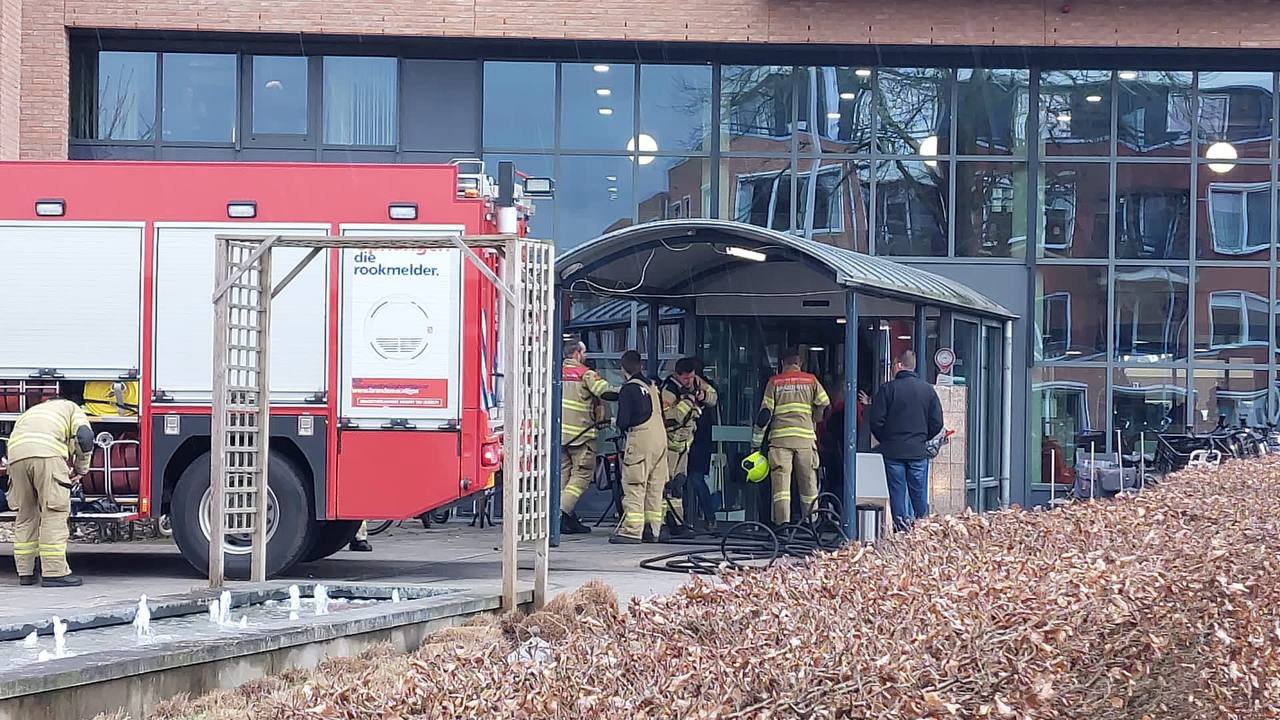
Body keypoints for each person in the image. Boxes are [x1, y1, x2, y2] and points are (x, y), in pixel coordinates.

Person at [5, 393, 94, 587]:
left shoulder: (32, 411)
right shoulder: (72, 408)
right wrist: (81, 469)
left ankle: (26, 573)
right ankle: (54, 572)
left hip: (16, 457)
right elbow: (85, 436)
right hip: (47, 455)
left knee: (26, 514)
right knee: (54, 512)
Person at [866, 350, 943, 532]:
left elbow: (876, 421)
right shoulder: (927, 390)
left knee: (897, 493)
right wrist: (923, 438)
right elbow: (937, 422)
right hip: (917, 451)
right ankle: (923, 531)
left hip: (893, 452)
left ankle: (902, 533)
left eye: (893, 365)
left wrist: (886, 439)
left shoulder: (887, 389)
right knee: (919, 495)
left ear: (899, 365)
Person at [751, 349, 830, 525]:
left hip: (780, 442)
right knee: (809, 484)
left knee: (781, 488)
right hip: (805, 441)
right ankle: (811, 523)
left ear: (782, 364)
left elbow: (764, 415)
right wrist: (815, 419)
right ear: (799, 363)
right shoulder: (811, 380)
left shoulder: (775, 382)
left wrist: (755, 444)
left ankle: (783, 525)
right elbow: (825, 404)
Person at [609, 350, 669, 545]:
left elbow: (624, 421)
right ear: (641, 366)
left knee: (635, 485)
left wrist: (612, 421)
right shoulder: (652, 386)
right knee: (655, 487)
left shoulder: (629, 389)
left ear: (622, 369)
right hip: (660, 441)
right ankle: (653, 530)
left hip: (641, 440)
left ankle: (632, 531)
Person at [560, 340, 618, 534]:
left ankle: (566, 518)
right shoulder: (586, 374)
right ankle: (560, 513)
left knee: (564, 478)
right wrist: (630, 389)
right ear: (577, 353)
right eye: (583, 353)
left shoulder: (554, 373)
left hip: (559, 437)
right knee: (581, 476)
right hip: (581, 436)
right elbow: (606, 391)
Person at [660, 357, 716, 538]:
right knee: (665, 485)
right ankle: (660, 524)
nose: (690, 382)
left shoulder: (697, 382)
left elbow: (713, 396)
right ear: (677, 375)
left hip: (684, 444)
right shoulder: (669, 390)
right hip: (669, 444)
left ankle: (677, 522)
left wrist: (703, 396)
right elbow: (669, 417)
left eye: (692, 377)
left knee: (679, 483)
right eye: (686, 379)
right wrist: (688, 401)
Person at [684, 357, 720, 529]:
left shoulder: (704, 388)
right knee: (691, 480)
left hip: (697, 441)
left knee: (691, 480)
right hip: (698, 441)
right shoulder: (706, 388)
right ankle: (705, 517)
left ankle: (695, 518)